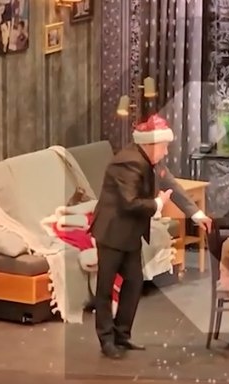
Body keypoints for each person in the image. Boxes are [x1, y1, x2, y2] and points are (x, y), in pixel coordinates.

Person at [90, 114, 213, 360]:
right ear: (149, 144)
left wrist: (196, 214)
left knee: (134, 282)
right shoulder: (127, 163)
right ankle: (106, 339)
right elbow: (130, 203)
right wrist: (158, 203)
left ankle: (122, 334)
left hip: (130, 234)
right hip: (112, 232)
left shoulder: (151, 161)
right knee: (105, 288)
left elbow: (171, 186)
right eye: (164, 147)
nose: (166, 152)